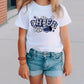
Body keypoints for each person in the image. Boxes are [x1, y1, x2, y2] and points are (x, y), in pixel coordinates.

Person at [15, 0, 73, 84]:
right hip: (34, 58)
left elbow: (65, 37)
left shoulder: (59, 9)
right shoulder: (27, 9)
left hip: (55, 59)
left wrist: (68, 61)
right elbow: (21, 38)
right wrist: (22, 63)